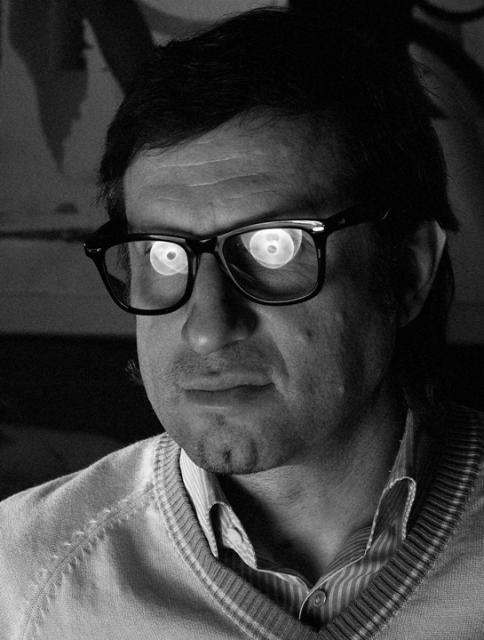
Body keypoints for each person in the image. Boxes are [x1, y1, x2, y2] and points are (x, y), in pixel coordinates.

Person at [1, 8, 483, 639]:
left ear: (408, 271)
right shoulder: (24, 581)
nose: (207, 328)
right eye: (164, 254)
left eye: (274, 246)